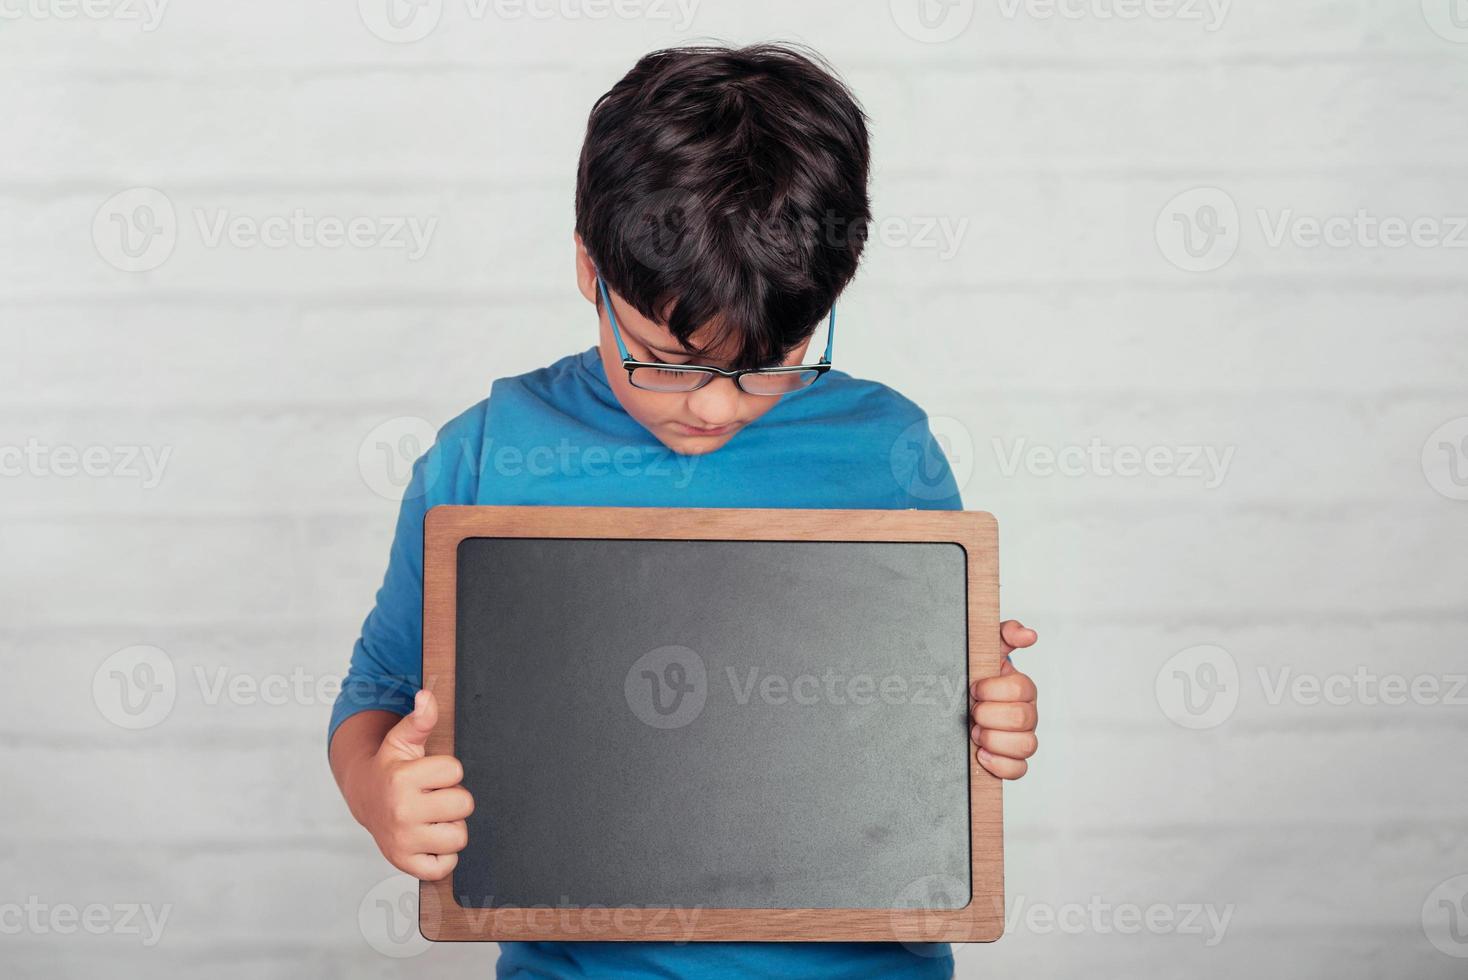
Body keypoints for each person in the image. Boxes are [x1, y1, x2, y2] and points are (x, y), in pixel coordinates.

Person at [329, 42, 1040, 980]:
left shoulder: (889, 450)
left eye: (769, 362)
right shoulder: (488, 452)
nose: (714, 404)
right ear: (590, 270)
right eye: (667, 357)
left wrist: (991, 716)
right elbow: (377, 695)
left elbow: (920, 722)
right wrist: (383, 794)